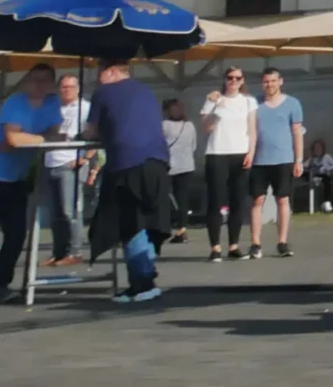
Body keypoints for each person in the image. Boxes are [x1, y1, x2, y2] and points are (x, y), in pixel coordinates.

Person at [86, 56, 173, 304]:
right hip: (157, 161)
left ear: (113, 71)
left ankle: (142, 283)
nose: (96, 76)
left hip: (126, 162)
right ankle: (144, 277)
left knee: (129, 222)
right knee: (147, 219)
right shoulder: (146, 91)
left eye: (100, 71)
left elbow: (91, 131)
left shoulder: (103, 93)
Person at [0, 64, 64, 301]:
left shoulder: (52, 103)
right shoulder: (15, 102)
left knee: (16, 235)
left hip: (17, 178)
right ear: (26, 81)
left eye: (44, 80)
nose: (38, 85)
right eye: (34, 79)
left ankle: (0, 284)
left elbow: (58, 135)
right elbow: (11, 140)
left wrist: (35, 137)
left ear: (51, 84)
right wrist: (42, 137)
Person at [198, 67, 257, 262]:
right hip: (217, 153)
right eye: (229, 77)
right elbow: (206, 128)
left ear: (242, 80)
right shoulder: (214, 99)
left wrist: (251, 152)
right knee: (215, 201)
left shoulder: (248, 101)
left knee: (238, 201)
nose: (233, 81)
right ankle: (215, 247)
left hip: (240, 153)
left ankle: (234, 245)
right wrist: (214, 106)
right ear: (224, 80)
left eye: (237, 78)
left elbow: (252, 129)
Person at [246, 67, 305, 260]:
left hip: (283, 159)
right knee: (257, 201)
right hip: (259, 160)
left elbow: (297, 133)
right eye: (266, 82)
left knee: (283, 200)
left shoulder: (293, 104)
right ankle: (255, 243)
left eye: (273, 81)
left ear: (280, 81)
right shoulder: (254, 103)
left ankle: (282, 242)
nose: (269, 85)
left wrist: (298, 160)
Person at [40, 73, 90, 267]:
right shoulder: (53, 107)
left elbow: (97, 131)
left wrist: (85, 157)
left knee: (70, 211)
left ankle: (74, 251)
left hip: (70, 163)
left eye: (70, 87)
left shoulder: (85, 108)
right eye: (64, 87)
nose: (67, 90)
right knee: (55, 213)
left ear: (78, 88)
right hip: (51, 161)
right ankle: (58, 252)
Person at [160, 98, 198, 245]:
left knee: (164, 198)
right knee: (183, 200)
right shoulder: (189, 125)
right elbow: (193, 146)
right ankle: (182, 230)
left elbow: (160, 145)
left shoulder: (163, 125)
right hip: (187, 166)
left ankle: (163, 228)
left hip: (168, 167)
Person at [297, 139, 333, 213]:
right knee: (302, 173)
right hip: (313, 176)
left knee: (327, 180)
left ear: (323, 149)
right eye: (316, 148)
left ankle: (326, 202)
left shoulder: (327, 157)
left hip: (324, 176)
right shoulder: (312, 158)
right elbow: (304, 165)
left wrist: (327, 168)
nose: (317, 150)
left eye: (319, 148)